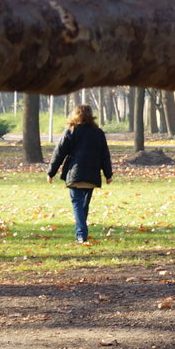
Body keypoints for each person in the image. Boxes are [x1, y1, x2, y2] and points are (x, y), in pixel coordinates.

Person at [46, 104, 114, 244]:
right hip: (92, 174)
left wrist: (51, 172)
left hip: (74, 173)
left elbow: (59, 153)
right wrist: (108, 174)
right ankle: (81, 233)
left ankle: (81, 234)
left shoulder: (71, 131)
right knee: (83, 205)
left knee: (77, 204)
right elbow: (104, 155)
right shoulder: (98, 133)